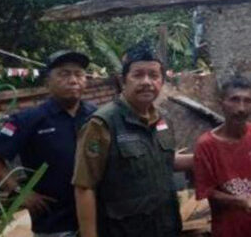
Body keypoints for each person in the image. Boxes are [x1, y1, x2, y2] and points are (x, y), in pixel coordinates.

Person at [72, 43, 192, 237]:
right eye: (138, 75)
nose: (147, 82)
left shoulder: (163, 121)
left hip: (166, 227)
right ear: (123, 80)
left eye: (154, 75)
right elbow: (84, 186)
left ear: (162, 81)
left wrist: (206, 155)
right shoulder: (102, 124)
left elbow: (164, 162)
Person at [0, 50, 95, 237]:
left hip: (95, 218)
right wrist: (18, 190)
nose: (74, 80)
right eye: (64, 74)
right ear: (47, 82)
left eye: (79, 74)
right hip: (54, 224)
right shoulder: (29, 119)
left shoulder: (95, 115)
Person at [194, 76, 251, 237]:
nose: (241, 108)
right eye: (234, 100)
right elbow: (207, 192)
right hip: (230, 229)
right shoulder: (205, 145)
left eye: (247, 101)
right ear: (221, 102)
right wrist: (240, 201)